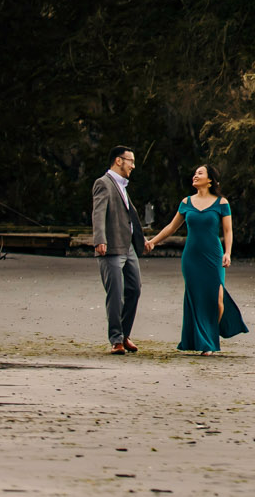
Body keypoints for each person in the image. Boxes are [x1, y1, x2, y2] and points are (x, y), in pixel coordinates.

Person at [145, 164, 248, 355]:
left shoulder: (221, 203)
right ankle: (205, 342)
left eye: (200, 173)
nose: (195, 176)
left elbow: (228, 230)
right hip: (191, 257)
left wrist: (228, 252)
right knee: (197, 298)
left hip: (213, 256)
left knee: (217, 299)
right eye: (194, 173)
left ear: (210, 180)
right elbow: (171, 227)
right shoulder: (186, 202)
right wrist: (153, 242)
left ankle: (210, 335)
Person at [90, 146, 143, 355]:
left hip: (128, 246)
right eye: (130, 161)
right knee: (116, 294)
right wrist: (100, 239)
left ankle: (125, 334)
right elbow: (98, 212)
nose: (133, 165)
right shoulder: (103, 183)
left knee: (135, 289)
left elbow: (129, 216)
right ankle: (116, 339)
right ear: (118, 161)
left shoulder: (122, 185)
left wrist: (141, 241)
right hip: (111, 246)